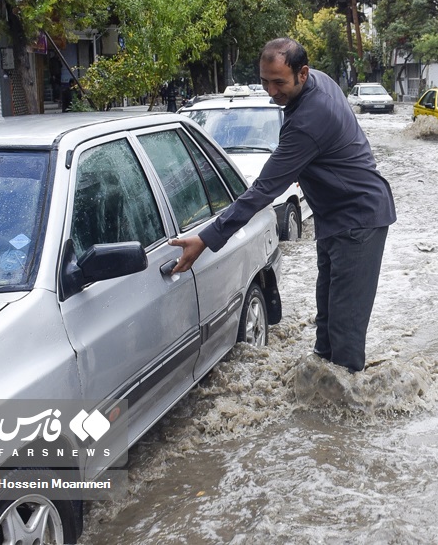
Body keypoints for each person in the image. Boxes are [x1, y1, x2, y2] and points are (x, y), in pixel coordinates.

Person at [170, 38, 396, 372]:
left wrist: (205, 239)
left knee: (345, 333)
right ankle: (322, 396)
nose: (271, 91)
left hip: (358, 221)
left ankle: (348, 408)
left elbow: (262, 191)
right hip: (335, 217)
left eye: (279, 82)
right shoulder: (318, 81)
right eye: (265, 81)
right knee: (327, 324)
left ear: (302, 74)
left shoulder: (310, 117)